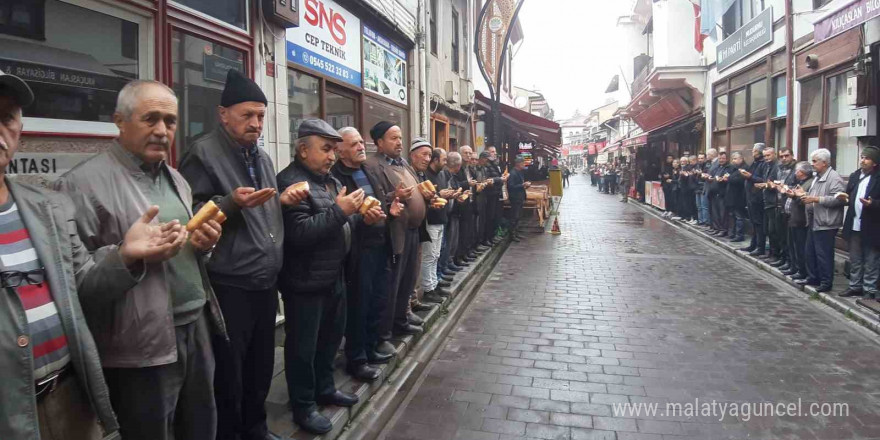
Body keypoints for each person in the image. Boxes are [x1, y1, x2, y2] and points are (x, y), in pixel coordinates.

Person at [56, 80, 225, 440]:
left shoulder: (177, 179)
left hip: (197, 327)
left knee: (202, 426)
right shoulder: (81, 185)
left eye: (170, 121)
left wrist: (204, 245)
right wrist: (125, 256)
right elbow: (76, 286)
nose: (162, 131)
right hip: (139, 349)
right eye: (150, 119)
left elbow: (186, 257)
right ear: (119, 120)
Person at [0, 69, 152, 440]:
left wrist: (125, 255)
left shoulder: (46, 207)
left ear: (19, 128)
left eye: (5, 117)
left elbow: (81, 285)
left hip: (70, 399)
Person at [178, 68, 294, 440]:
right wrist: (228, 202)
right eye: (247, 115)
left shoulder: (260, 158)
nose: (256, 123)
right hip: (229, 284)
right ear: (223, 114)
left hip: (264, 281)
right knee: (230, 371)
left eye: (261, 116)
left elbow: (267, 212)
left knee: (261, 365)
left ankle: (255, 429)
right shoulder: (202, 153)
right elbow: (190, 214)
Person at [277, 119, 377, 434]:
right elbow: (299, 234)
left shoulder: (328, 180)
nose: (332, 156)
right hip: (305, 281)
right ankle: (303, 405)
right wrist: (342, 211)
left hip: (334, 276)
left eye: (334, 149)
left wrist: (362, 216)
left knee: (329, 341)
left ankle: (325, 387)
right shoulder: (292, 183)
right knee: (303, 348)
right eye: (325, 149)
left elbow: (339, 224)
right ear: (303, 149)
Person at [330, 127, 402, 379]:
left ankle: (371, 348)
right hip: (358, 251)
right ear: (340, 151)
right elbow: (339, 216)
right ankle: (357, 358)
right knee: (359, 305)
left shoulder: (367, 170)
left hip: (382, 243)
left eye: (361, 142)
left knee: (378, 299)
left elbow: (378, 201)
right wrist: (363, 219)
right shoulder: (336, 178)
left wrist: (389, 208)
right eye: (354, 144)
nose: (361, 146)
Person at [364, 122, 427, 343]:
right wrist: (394, 196)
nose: (399, 142)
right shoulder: (372, 165)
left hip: (413, 230)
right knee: (393, 283)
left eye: (400, 137)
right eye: (393, 138)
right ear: (379, 142)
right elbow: (374, 199)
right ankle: (386, 331)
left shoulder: (403, 163)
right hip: (394, 233)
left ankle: (402, 318)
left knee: (409, 278)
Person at [797, 148, 846, 292]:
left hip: (826, 222)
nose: (812, 164)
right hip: (814, 220)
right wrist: (803, 194)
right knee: (810, 251)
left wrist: (816, 199)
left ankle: (826, 282)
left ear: (824, 163)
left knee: (823, 254)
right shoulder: (817, 177)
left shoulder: (834, 178)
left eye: (814, 161)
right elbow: (813, 195)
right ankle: (813, 277)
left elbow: (839, 200)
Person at [840, 146, 880, 299]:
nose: (862, 160)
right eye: (862, 157)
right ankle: (854, 286)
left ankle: (869, 288)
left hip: (872, 225)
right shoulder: (856, 175)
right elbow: (850, 194)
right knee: (855, 258)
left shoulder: (878, 177)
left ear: (874, 162)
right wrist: (845, 198)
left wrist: (873, 204)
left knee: (871, 260)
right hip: (854, 223)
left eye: (867, 158)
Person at [415, 142, 451, 304]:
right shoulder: (425, 175)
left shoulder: (441, 175)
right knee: (429, 256)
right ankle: (428, 288)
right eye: (443, 159)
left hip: (441, 218)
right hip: (431, 219)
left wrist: (446, 195)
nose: (445, 163)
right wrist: (438, 195)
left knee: (436, 254)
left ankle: (434, 284)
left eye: (429, 155)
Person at [782, 161, 814, 281]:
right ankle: (794, 267)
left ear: (802, 172)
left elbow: (805, 200)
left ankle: (801, 270)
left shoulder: (809, 183)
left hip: (801, 219)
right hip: (793, 218)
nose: (795, 173)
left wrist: (795, 195)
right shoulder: (800, 183)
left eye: (797, 171)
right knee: (793, 245)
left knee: (800, 247)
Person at [438, 152, 465, 278]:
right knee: (444, 244)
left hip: (452, 211)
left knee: (450, 241)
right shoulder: (444, 175)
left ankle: (447, 264)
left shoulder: (452, 176)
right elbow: (443, 193)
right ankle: (443, 268)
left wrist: (457, 195)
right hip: (446, 213)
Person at [739, 144, 768, 256]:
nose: (753, 153)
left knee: (759, 223)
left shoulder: (763, 164)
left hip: (758, 198)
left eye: (755, 151)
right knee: (753, 223)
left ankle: (760, 247)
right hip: (751, 197)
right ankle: (753, 244)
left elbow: (762, 180)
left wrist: (749, 176)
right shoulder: (755, 163)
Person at [724, 152, 748, 242]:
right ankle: (733, 233)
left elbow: (740, 180)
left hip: (739, 197)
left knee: (739, 216)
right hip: (732, 196)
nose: (733, 161)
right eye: (732, 159)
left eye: (735, 159)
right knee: (733, 215)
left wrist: (729, 178)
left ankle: (739, 235)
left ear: (741, 159)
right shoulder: (733, 168)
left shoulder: (744, 168)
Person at [508, 155, 531, 241]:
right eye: (523, 163)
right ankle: (512, 235)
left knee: (518, 216)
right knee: (514, 216)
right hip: (515, 197)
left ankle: (516, 233)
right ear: (518, 164)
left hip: (519, 197)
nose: (524, 165)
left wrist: (524, 185)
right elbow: (510, 186)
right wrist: (522, 185)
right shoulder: (513, 173)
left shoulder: (520, 172)